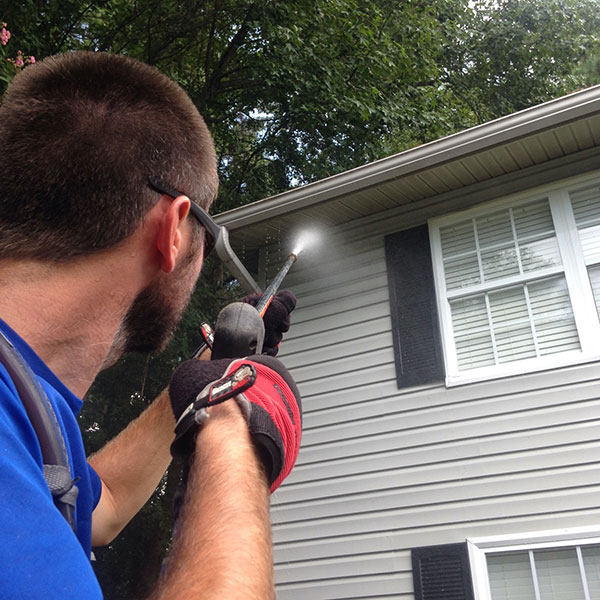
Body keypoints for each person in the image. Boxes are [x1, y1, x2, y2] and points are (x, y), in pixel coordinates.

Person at [0, 51, 301, 599]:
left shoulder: (26, 418)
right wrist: (240, 427)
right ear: (174, 229)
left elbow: (103, 503)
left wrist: (207, 381)